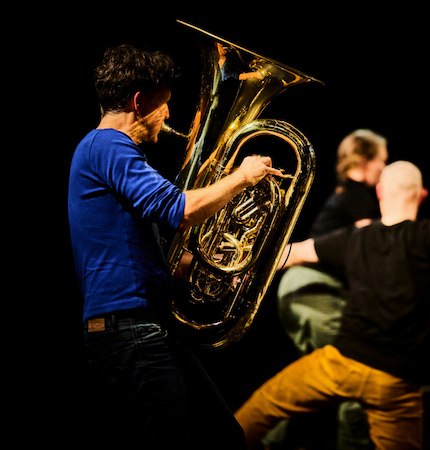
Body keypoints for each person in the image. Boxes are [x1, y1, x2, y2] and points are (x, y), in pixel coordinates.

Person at [68, 43, 280, 450]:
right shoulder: (109, 146)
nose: (168, 115)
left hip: (143, 327)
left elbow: (127, 245)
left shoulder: (103, 151)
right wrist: (242, 177)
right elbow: (179, 211)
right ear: (139, 102)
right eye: (164, 103)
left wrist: (207, 268)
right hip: (132, 331)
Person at [235, 161, 430, 450]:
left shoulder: (355, 238)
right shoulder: (429, 236)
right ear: (422, 195)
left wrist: (247, 267)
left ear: (380, 192)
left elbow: (293, 253)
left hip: (341, 364)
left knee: (261, 408)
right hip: (395, 382)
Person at [264, 129, 388, 450]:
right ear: (364, 161)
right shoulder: (357, 199)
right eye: (381, 162)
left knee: (323, 379)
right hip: (314, 290)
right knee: (355, 369)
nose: (384, 169)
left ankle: (267, 438)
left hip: (308, 289)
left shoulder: (347, 196)